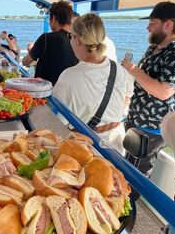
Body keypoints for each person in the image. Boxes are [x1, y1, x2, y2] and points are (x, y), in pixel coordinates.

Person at [53, 13, 130, 155]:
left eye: (70, 36)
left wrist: (87, 129)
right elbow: (126, 98)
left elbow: (56, 123)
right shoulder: (119, 69)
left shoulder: (69, 77)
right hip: (116, 150)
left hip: (85, 152)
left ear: (78, 40)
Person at [122, 1, 175, 177]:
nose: (148, 28)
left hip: (151, 130)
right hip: (136, 122)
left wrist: (133, 70)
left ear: (168, 24)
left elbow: (164, 92)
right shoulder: (153, 48)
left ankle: (130, 204)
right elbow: (144, 81)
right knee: (127, 169)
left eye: (152, 23)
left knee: (135, 178)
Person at [22, 0, 78, 85]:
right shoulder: (77, 41)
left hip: (45, 93)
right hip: (65, 92)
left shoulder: (46, 38)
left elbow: (25, 62)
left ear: (54, 18)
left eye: (49, 19)